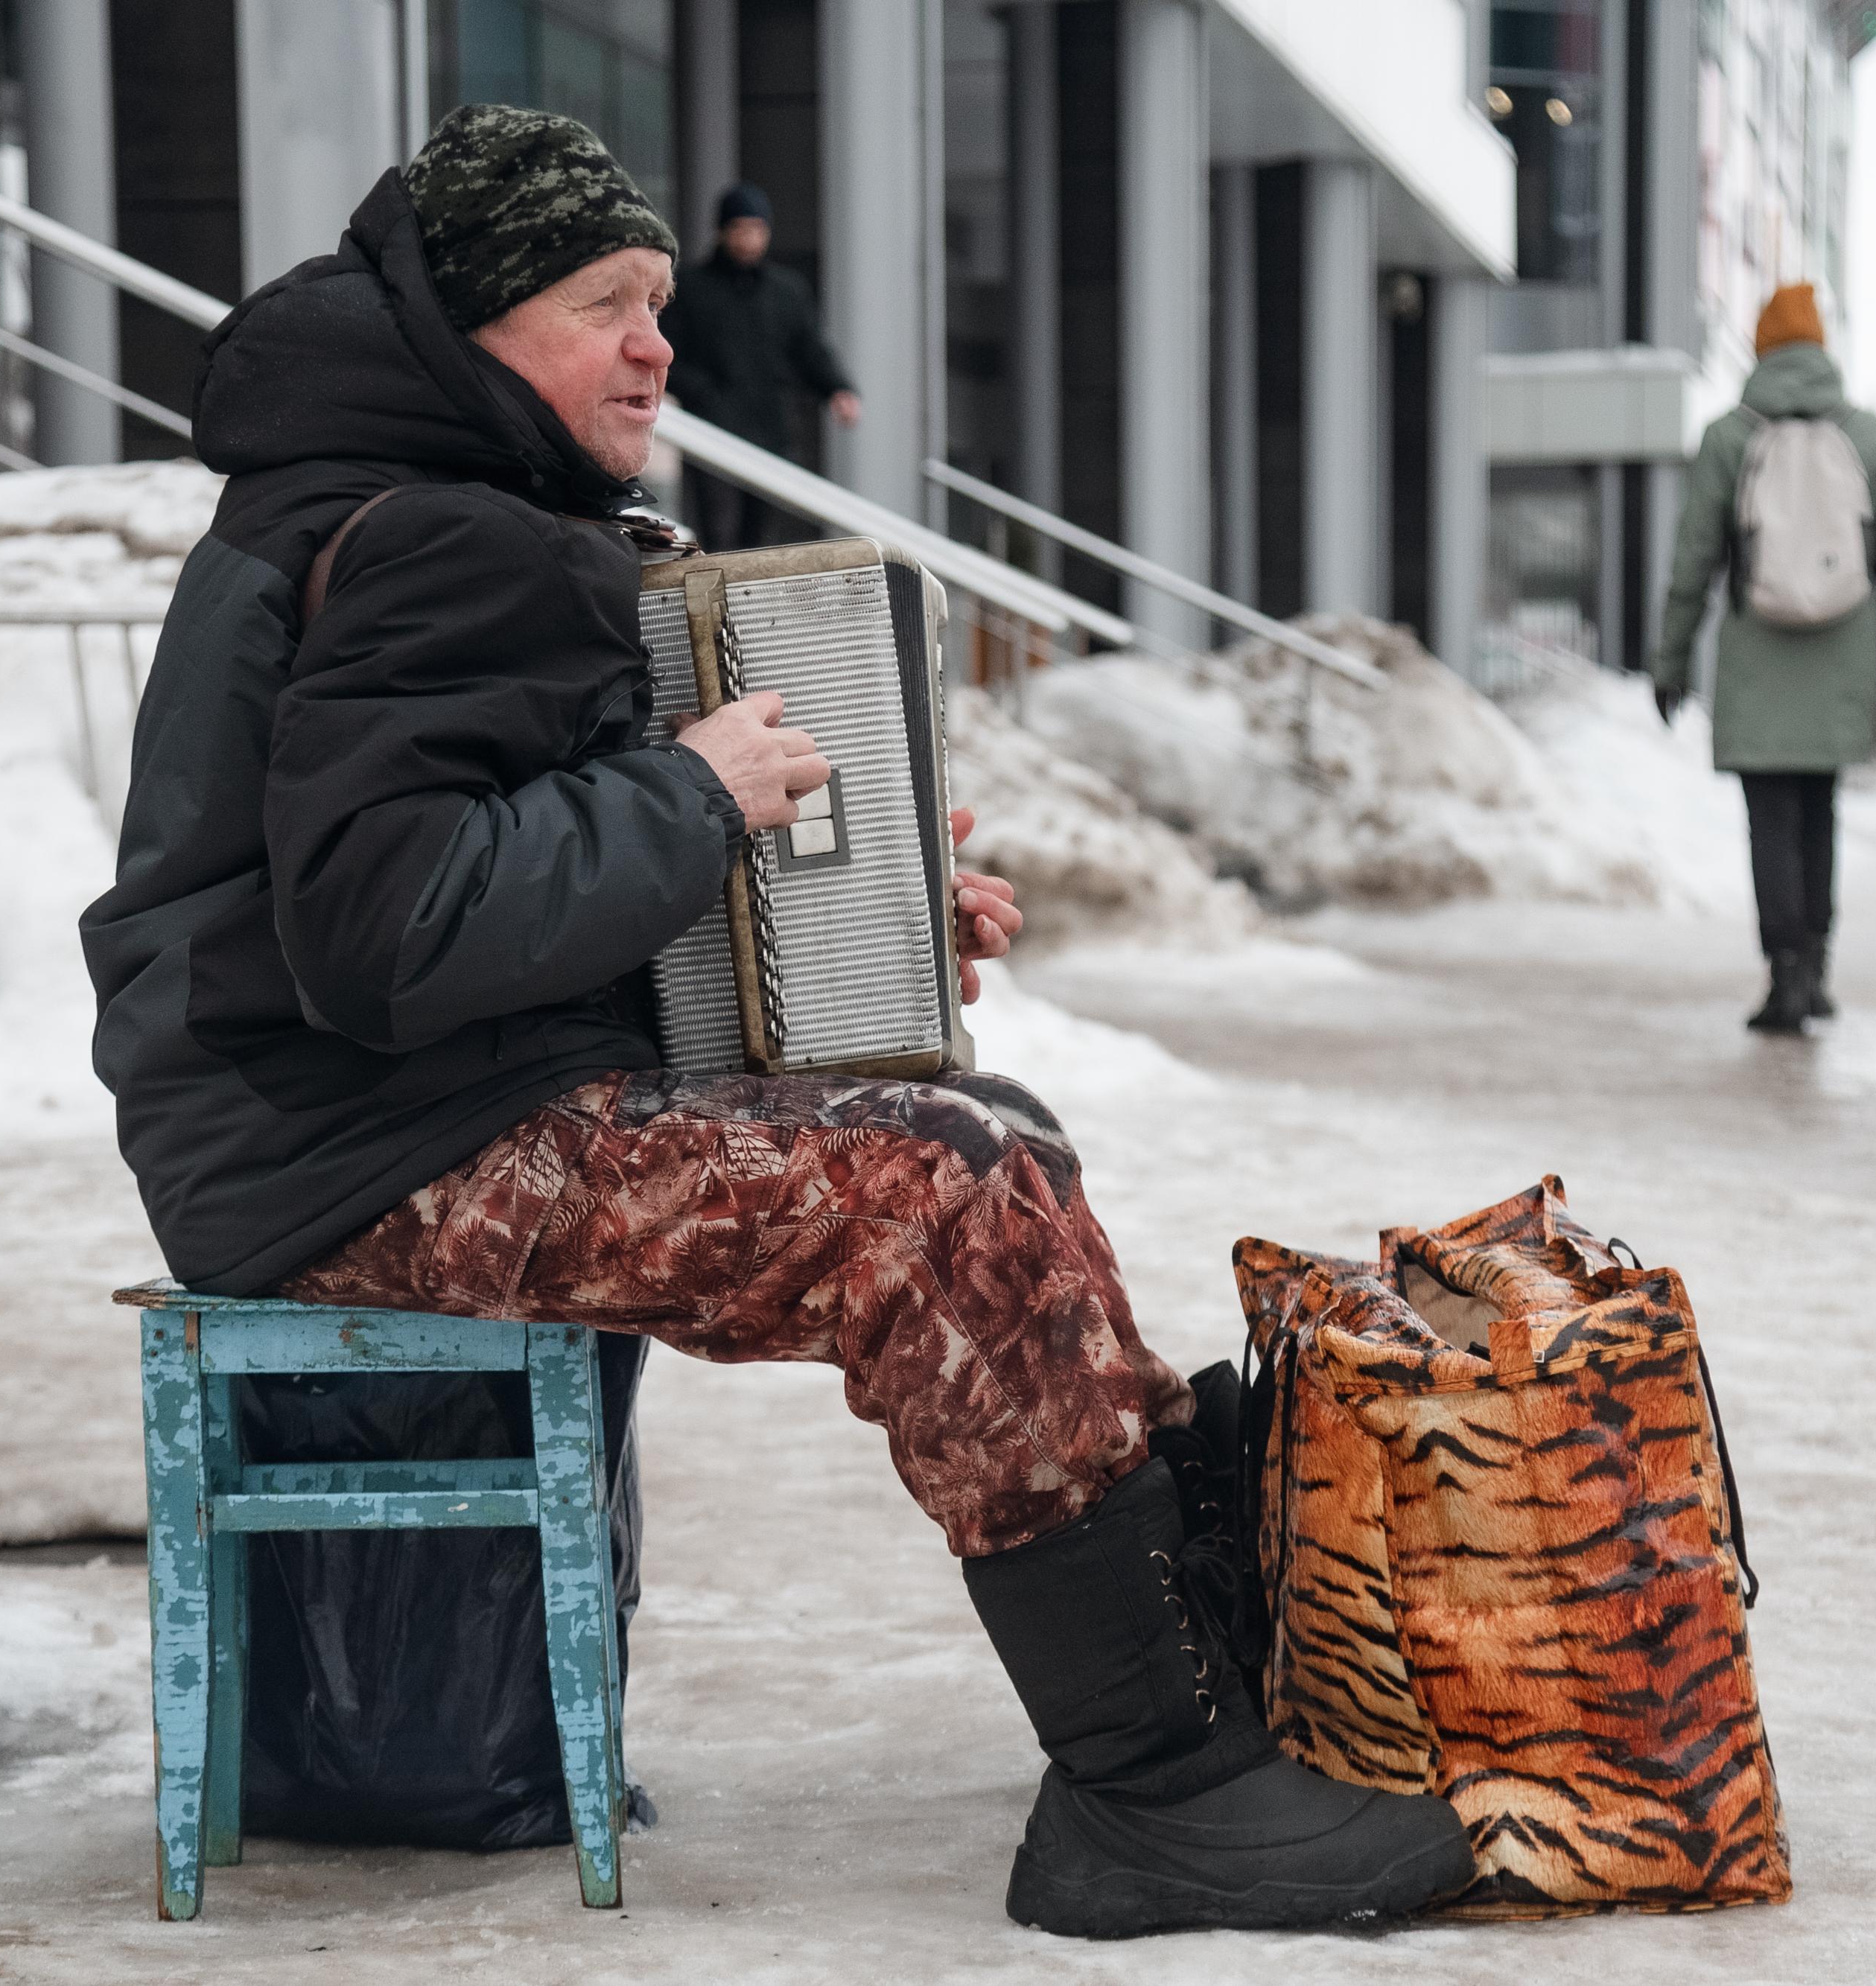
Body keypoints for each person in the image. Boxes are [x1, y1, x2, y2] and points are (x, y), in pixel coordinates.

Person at [80, 106, 1470, 1938]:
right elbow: (386, 935)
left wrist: (873, 923)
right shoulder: (425, 534)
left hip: (375, 1119)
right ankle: (1158, 1796)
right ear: (473, 324)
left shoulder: (424, 507)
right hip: (356, 1160)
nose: (656, 342)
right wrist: (693, 797)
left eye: (660, 299)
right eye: (605, 303)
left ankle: (1188, 1707)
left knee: (995, 1136)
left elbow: (496, 890)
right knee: (947, 1197)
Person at [1651, 282, 1876, 1035]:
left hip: (1758, 655)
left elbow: (1693, 561)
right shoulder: (1867, 437)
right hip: (1845, 653)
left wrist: (1669, 659)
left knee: (1769, 820)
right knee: (1819, 814)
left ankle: (1783, 977)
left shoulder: (1728, 437)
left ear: (1762, 348)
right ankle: (1817, 968)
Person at [657, 182, 858, 550]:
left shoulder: (787, 291)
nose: (749, 239)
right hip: (711, 434)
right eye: (740, 228)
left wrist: (838, 389)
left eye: (757, 229)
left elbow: (809, 349)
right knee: (718, 534)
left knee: (761, 541)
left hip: (770, 432)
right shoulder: (691, 288)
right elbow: (669, 356)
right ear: (722, 231)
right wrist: (705, 394)